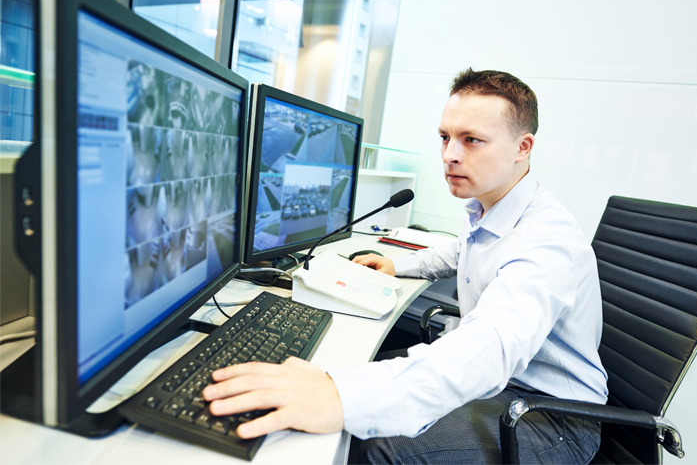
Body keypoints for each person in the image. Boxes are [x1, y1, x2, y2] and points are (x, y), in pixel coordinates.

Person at [202, 68, 609, 463]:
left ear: (523, 147)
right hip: (507, 392)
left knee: (380, 446)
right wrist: (397, 265)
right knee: (365, 391)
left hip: (551, 419)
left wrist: (339, 396)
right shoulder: (492, 207)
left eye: (472, 140)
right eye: (445, 137)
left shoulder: (546, 242)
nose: (450, 155)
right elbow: (460, 252)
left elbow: (491, 349)